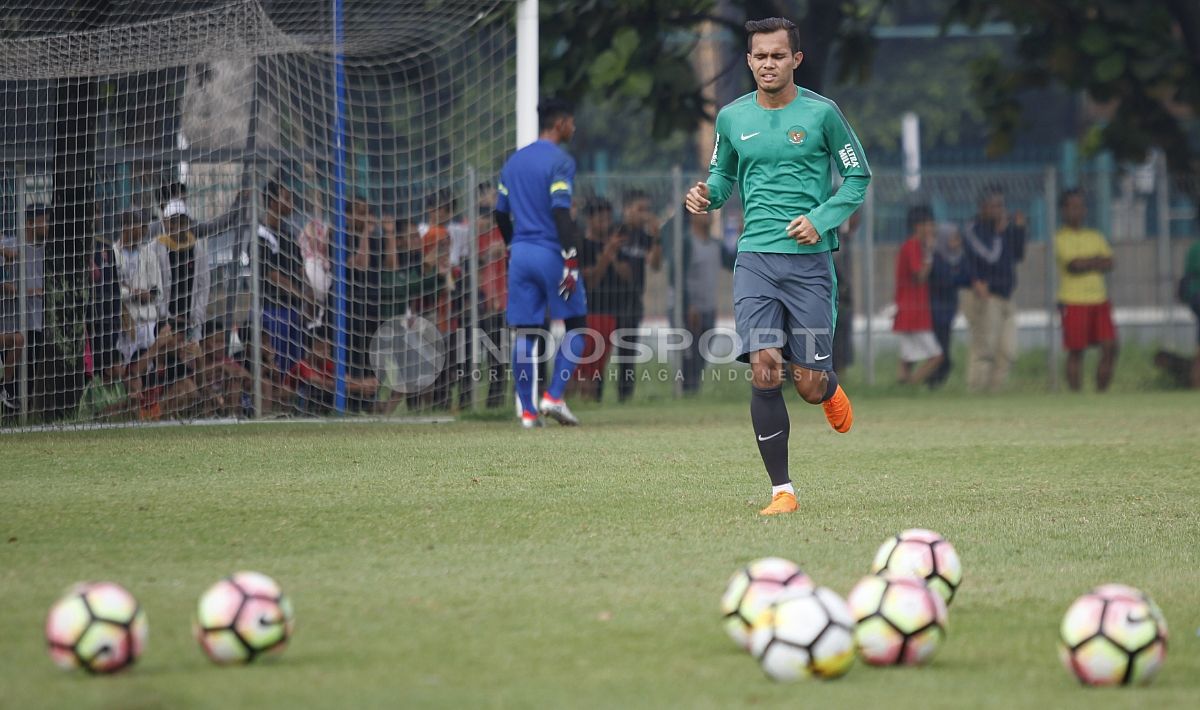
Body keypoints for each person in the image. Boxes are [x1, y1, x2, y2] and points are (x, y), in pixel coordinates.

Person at [684, 17, 868, 516]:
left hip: (809, 265)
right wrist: (707, 195)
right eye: (760, 56)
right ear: (748, 61)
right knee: (765, 369)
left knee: (806, 383)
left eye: (778, 55)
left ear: (796, 60)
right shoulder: (731, 118)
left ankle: (826, 386)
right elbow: (722, 178)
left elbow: (857, 177)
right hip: (755, 260)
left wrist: (821, 218)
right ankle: (782, 491)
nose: (768, 63)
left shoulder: (823, 114)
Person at [495, 97, 588, 428]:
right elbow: (561, 210)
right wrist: (571, 257)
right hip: (551, 252)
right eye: (571, 122)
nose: (573, 128)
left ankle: (528, 413)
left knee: (526, 331)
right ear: (560, 123)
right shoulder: (560, 161)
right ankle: (553, 395)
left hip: (520, 254)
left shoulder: (514, 162)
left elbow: (499, 213)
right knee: (577, 325)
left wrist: (512, 246)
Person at [962, 184, 1026, 393]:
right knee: (985, 349)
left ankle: (994, 393)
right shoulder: (974, 229)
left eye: (1001, 206)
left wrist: (1018, 230)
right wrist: (1000, 234)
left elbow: (1018, 255)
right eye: (994, 206)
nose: (999, 211)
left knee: (1007, 350)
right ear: (983, 207)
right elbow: (989, 256)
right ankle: (976, 390)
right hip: (986, 296)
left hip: (1006, 295)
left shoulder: (1005, 230)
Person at [1055, 189, 1117, 392]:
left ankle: (1101, 395)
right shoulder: (1060, 238)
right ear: (1063, 210)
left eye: (1081, 207)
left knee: (1110, 347)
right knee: (1076, 351)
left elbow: (1109, 262)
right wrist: (1096, 260)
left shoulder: (1095, 235)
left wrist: (1087, 261)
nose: (1078, 211)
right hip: (1073, 300)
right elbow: (1073, 265)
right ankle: (1076, 396)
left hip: (1099, 300)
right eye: (1073, 207)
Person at [666, 210, 730, 394]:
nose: (709, 216)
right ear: (693, 216)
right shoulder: (686, 243)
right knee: (687, 355)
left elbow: (732, 261)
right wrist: (688, 305)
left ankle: (693, 392)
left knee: (702, 354)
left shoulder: (716, 245)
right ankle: (682, 392)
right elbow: (675, 277)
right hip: (687, 309)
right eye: (705, 212)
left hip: (708, 307)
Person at [257, 181, 307, 406]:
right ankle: (274, 403)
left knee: (296, 361)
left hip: (294, 310)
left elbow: (299, 269)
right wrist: (300, 294)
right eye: (286, 197)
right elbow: (270, 274)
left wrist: (308, 296)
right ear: (273, 201)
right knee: (277, 359)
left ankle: (294, 404)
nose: (291, 202)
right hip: (272, 309)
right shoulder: (261, 235)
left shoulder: (288, 234)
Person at [611, 189, 663, 402]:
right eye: (640, 209)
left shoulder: (646, 237)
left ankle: (625, 396)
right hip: (609, 300)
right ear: (627, 210)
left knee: (628, 353)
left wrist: (657, 237)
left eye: (647, 210)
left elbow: (656, 265)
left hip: (633, 301)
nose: (644, 215)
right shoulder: (616, 232)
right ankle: (590, 396)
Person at [0, 205, 47, 414]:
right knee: (16, 370)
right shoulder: (10, 246)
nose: (48, 225)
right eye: (44, 220)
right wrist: (25, 291)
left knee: (30, 378)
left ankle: (26, 416)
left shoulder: (51, 250)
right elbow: (4, 285)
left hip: (37, 323)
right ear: (29, 223)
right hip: (11, 323)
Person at [575, 198, 623, 400]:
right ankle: (572, 402)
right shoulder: (583, 246)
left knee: (597, 368)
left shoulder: (615, 243)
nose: (605, 223)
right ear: (590, 220)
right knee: (582, 368)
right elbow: (590, 281)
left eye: (608, 219)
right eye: (601, 219)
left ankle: (591, 402)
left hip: (610, 312)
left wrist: (612, 254)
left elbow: (627, 276)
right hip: (588, 314)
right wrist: (606, 255)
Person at [892, 205, 944, 385]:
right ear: (918, 226)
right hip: (913, 311)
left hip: (909, 309)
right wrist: (929, 253)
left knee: (907, 358)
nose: (932, 229)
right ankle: (911, 386)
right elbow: (920, 275)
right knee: (936, 356)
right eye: (928, 224)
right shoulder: (913, 246)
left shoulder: (911, 246)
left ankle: (902, 385)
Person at [927, 222, 972, 388]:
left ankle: (934, 384)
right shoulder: (937, 257)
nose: (957, 242)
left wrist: (956, 275)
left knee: (944, 349)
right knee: (941, 354)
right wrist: (955, 275)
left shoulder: (957, 258)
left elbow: (966, 276)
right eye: (953, 238)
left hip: (948, 310)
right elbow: (946, 280)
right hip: (935, 311)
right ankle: (930, 383)